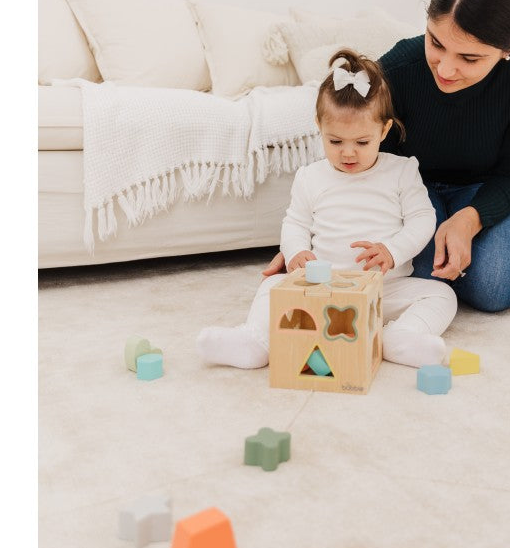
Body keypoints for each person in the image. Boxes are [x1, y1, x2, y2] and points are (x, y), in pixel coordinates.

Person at [263, 0, 510, 313]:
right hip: (410, 188)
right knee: (406, 273)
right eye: (436, 43)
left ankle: (471, 255)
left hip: (485, 186)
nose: (446, 69)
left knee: (496, 289)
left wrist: (470, 219)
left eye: (469, 58)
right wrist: (307, 246)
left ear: (506, 51)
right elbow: (356, 151)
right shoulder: (400, 66)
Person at [196, 48, 458, 370]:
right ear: (319, 126)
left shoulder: (402, 171)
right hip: (319, 288)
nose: (348, 153)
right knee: (270, 286)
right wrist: (295, 253)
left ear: (384, 130)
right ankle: (256, 342)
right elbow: (295, 223)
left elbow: (422, 219)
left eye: (362, 142)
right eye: (335, 142)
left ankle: (400, 336)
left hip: (381, 287)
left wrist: (392, 250)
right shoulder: (310, 176)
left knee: (441, 295)